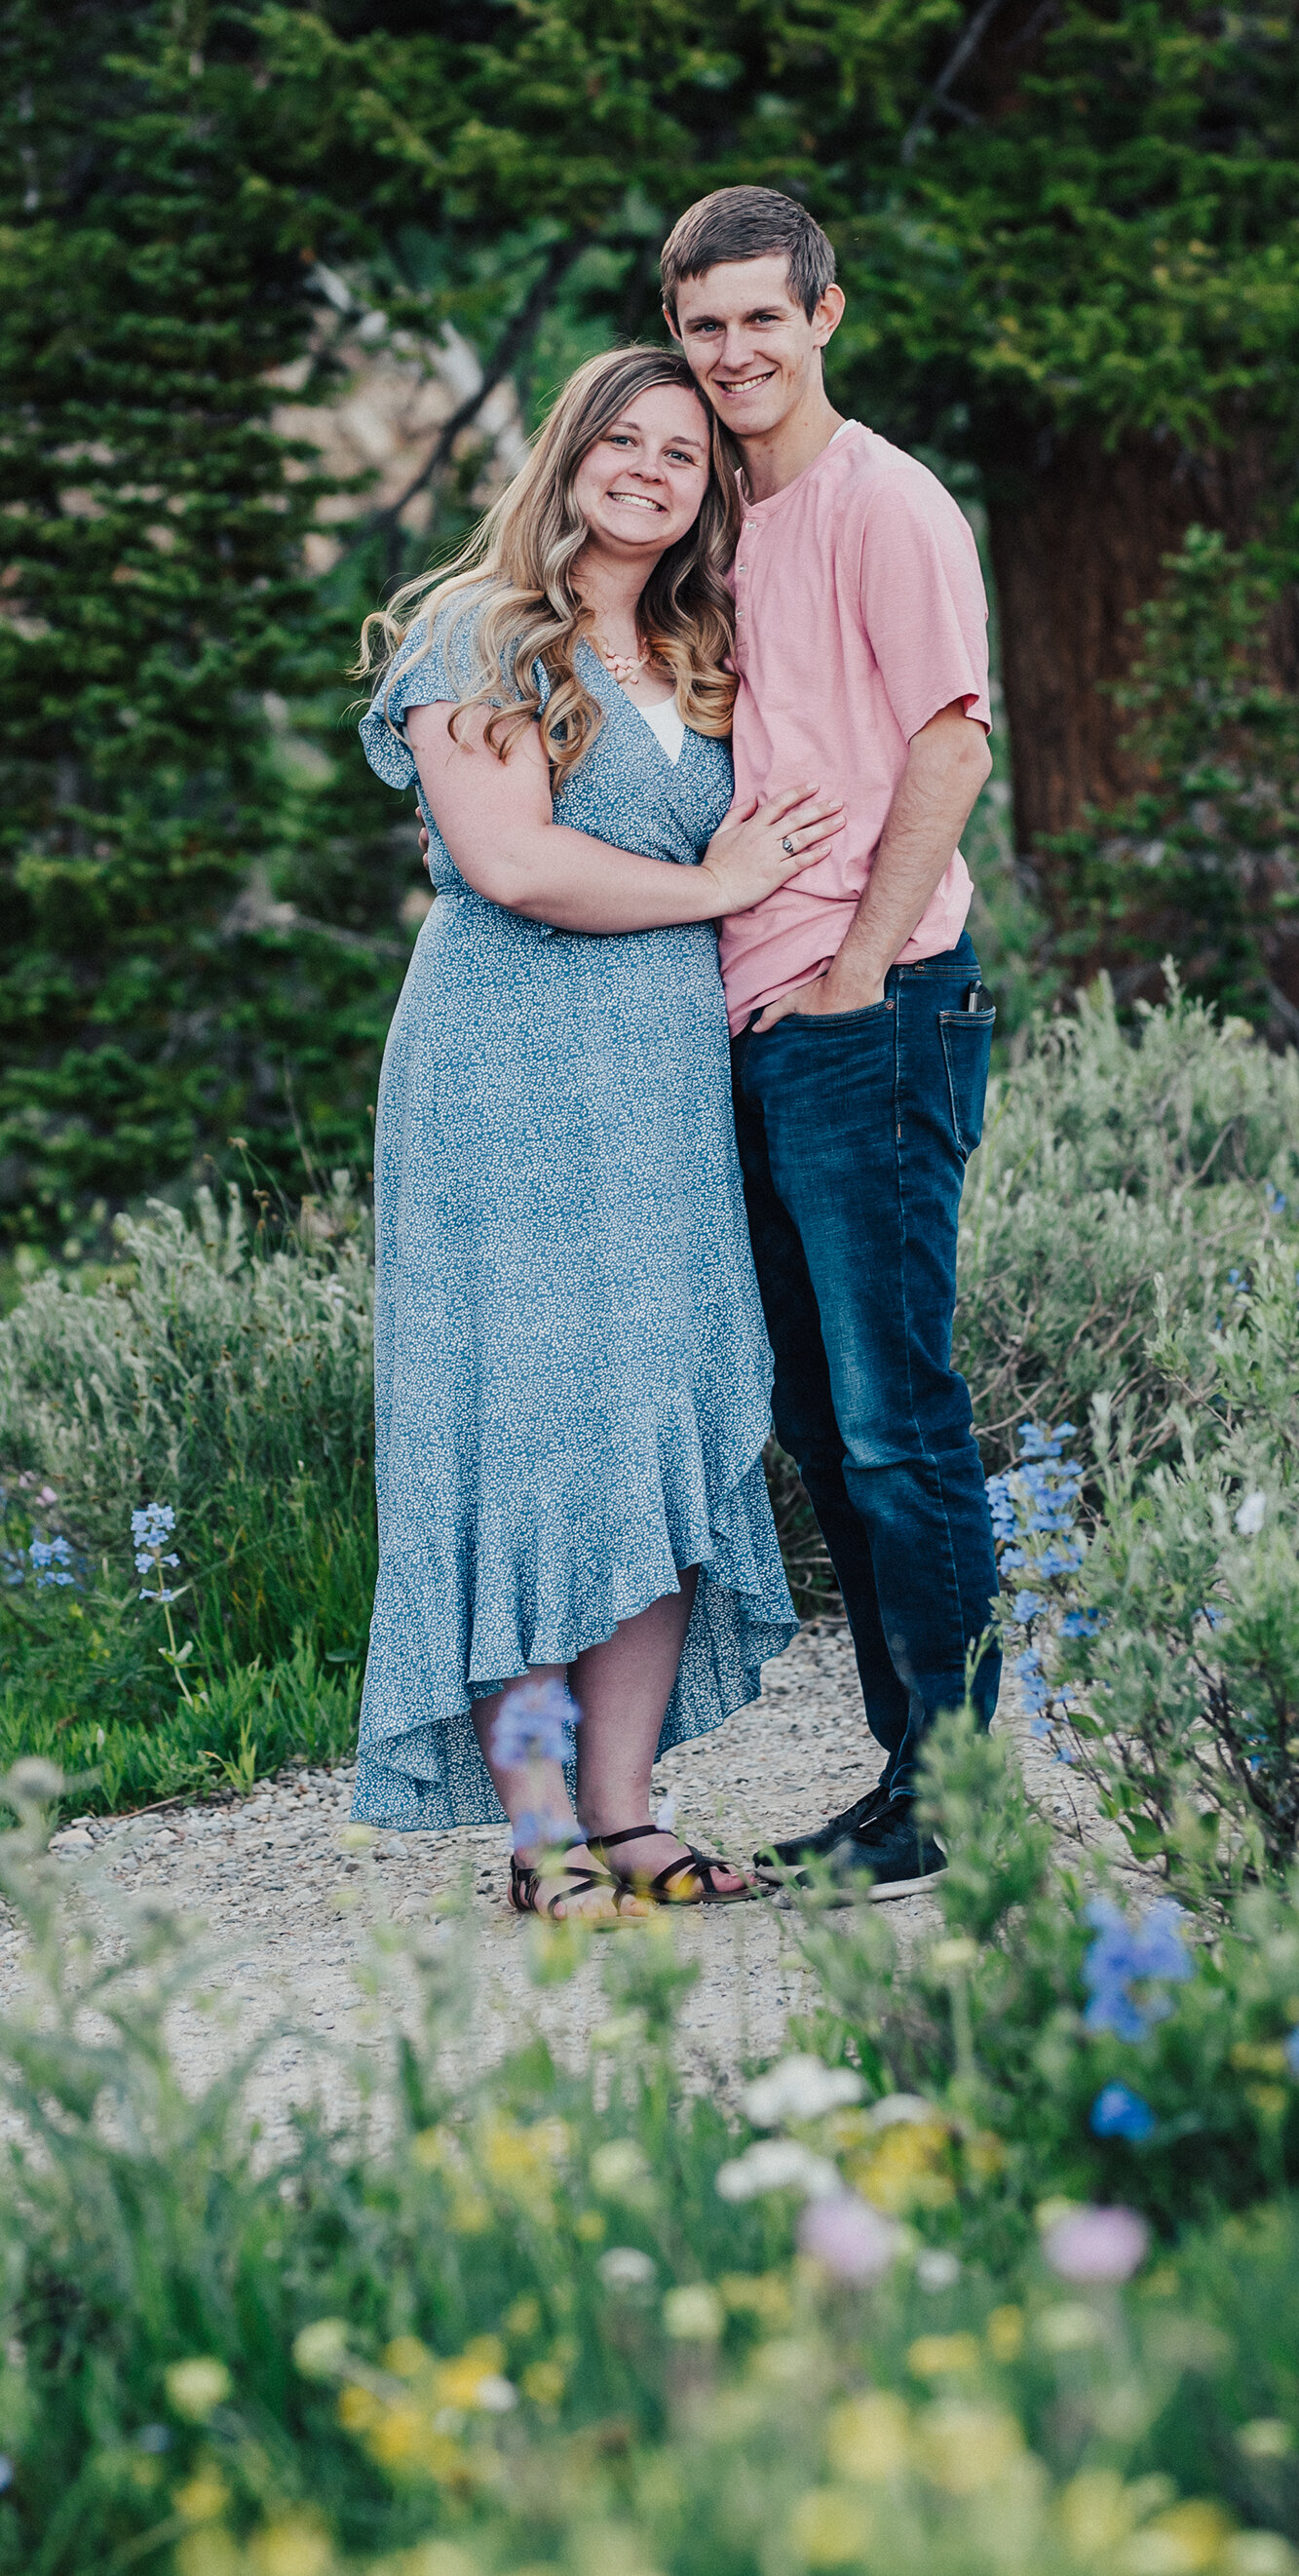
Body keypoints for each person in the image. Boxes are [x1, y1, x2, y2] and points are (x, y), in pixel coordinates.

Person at [354, 345, 842, 1917]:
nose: (648, 469)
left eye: (682, 454)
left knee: (660, 1419)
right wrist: (717, 885)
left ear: (709, 492)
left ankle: (628, 1815)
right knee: (533, 1432)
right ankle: (541, 1834)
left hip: (661, 1083)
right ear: (567, 456)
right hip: (502, 1069)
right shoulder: (476, 633)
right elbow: (513, 864)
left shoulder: (705, 650)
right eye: (621, 440)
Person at [662, 185, 999, 1898]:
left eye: (761, 319)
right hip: (753, 1021)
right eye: (703, 326)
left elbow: (953, 742)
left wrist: (860, 968)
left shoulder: (886, 501)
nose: (734, 353)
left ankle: (959, 1801)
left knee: (892, 1416)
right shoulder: (721, 518)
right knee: (817, 1417)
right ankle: (904, 1780)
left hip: (874, 1009)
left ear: (824, 316)